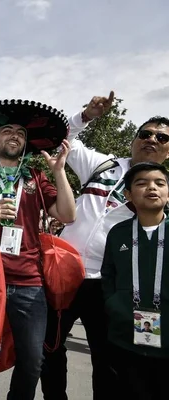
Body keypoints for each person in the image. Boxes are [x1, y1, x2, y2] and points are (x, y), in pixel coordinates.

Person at [41, 93, 169, 399]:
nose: (152, 139)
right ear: (134, 140)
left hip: (111, 286)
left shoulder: (162, 190)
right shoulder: (103, 165)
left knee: (109, 364)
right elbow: (63, 140)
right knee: (49, 351)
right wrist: (86, 115)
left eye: (161, 137)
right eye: (146, 133)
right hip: (64, 276)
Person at [0, 98, 77, 400]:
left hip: (28, 282)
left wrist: (59, 172)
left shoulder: (35, 177)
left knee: (33, 361)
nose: (15, 136)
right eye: (7, 130)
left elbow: (67, 214)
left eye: (21, 133)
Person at [101, 161, 169, 400]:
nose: (152, 188)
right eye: (142, 183)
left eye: (160, 183)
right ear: (128, 195)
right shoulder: (118, 232)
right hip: (125, 338)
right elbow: (108, 275)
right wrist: (114, 304)